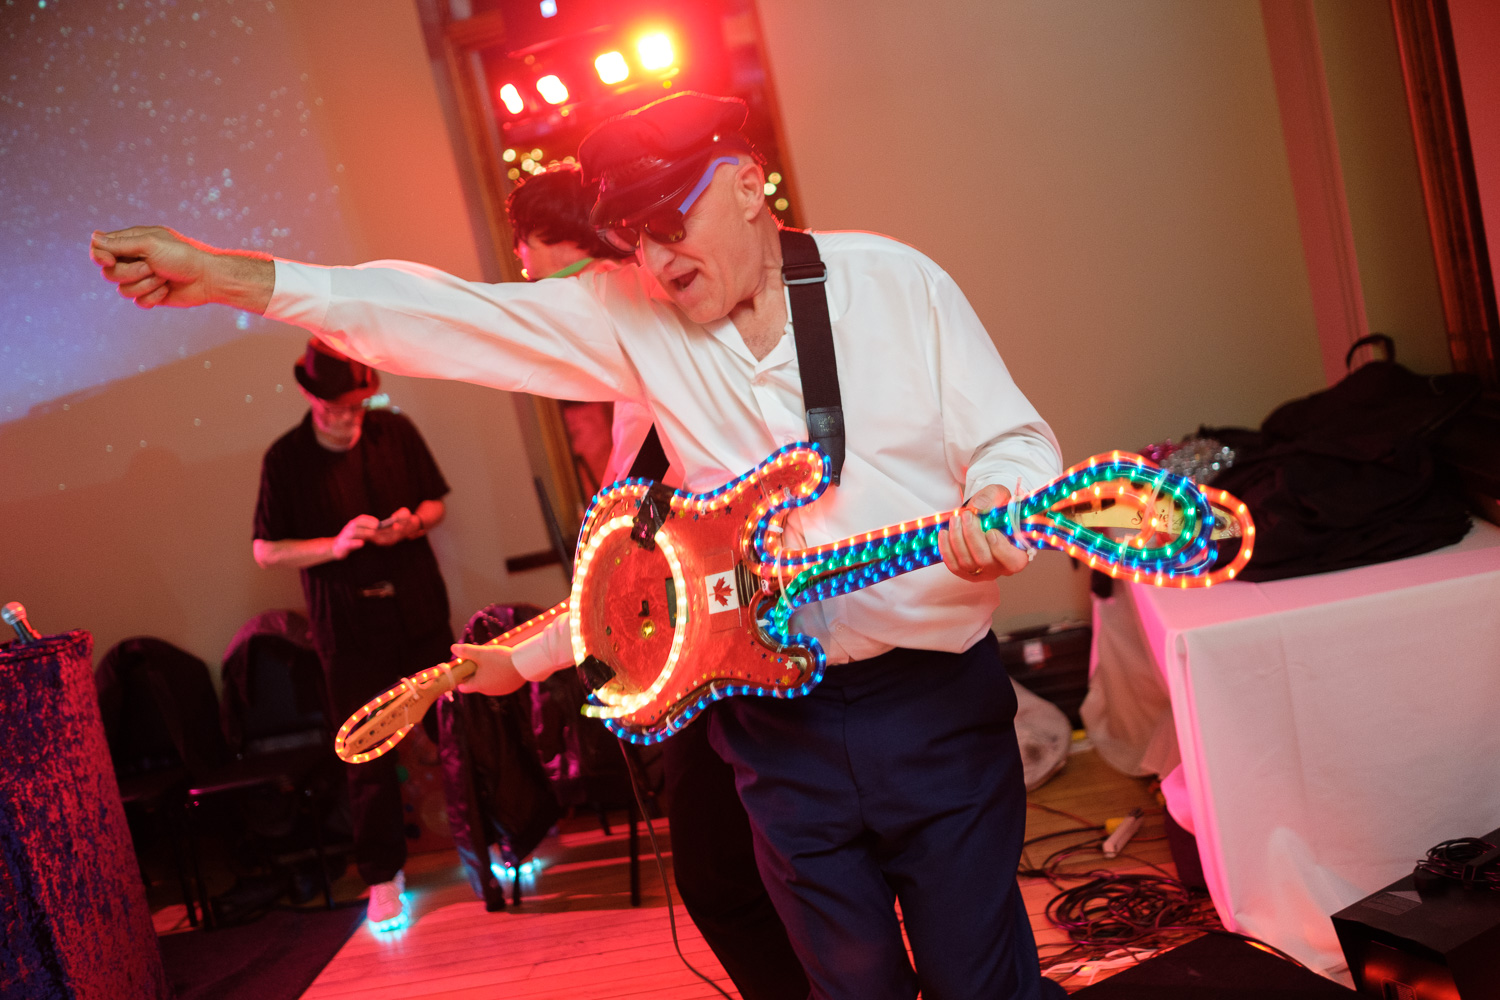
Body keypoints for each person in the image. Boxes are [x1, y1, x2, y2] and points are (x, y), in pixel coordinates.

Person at [91, 92, 1066, 999]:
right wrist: (229, 277)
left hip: (933, 703)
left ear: (746, 182)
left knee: (981, 979)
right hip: (780, 733)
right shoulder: (630, 312)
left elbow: (1016, 445)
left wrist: (998, 504)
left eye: (670, 218)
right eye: (633, 232)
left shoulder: (896, 284)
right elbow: (443, 316)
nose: (657, 255)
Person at [507, 165, 810, 1000]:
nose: (548, 305)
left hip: (740, 638)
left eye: (552, 277)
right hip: (688, 649)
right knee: (731, 874)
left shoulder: (681, 349)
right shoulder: (628, 375)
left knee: (750, 871)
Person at [249, 339, 454, 930]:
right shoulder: (284, 459)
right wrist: (334, 546)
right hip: (348, 628)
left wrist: (413, 522)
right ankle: (383, 878)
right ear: (311, 397)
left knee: (455, 730)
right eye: (336, 409)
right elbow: (265, 550)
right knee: (366, 753)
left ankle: (497, 842)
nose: (347, 419)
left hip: (417, 610)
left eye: (357, 408)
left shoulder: (396, 431)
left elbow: (436, 502)